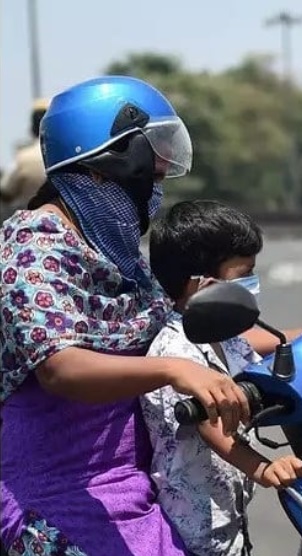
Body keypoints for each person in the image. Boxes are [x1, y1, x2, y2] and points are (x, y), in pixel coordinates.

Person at [0, 76, 249, 556]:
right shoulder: (33, 245)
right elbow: (61, 368)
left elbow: (181, 327)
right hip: (59, 499)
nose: (156, 193)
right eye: (150, 178)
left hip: (133, 487)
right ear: (100, 170)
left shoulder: (118, 254)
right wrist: (175, 371)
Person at [143, 200, 302, 556]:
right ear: (203, 286)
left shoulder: (227, 336)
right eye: (242, 276)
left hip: (228, 511)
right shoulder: (175, 350)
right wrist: (263, 468)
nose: (252, 285)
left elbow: (271, 366)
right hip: (194, 529)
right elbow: (211, 424)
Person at [0, 98, 49, 221]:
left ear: (32, 126)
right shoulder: (65, 154)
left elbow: (6, 191)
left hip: (29, 226)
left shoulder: (22, 158)